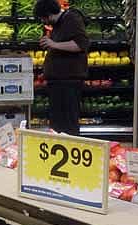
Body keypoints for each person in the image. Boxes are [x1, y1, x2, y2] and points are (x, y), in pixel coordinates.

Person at [34, 0, 89, 136]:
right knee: (58, 124)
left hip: (68, 82)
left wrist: (53, 44)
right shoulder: (59, 23)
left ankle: (70, 148)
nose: (44, 22)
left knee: (68, 123)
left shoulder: (72, 18)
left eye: (43, 18)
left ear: (49, 14)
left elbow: (81, 45)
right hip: (58, 82)